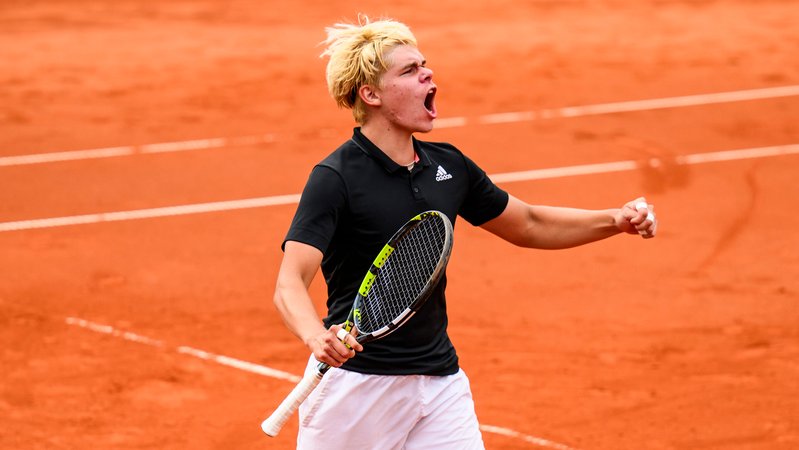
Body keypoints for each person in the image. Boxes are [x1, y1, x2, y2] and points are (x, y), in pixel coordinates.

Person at [271, 15, 657, 449]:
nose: (427, 73)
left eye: (424, 64)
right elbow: (290, 282)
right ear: (371, 94)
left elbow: (528, 223)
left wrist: (614, 220)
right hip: (357, 388)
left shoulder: (448, 166)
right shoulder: (336, 177)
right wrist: (316, 336)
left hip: (439, 381)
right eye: (410, 70)